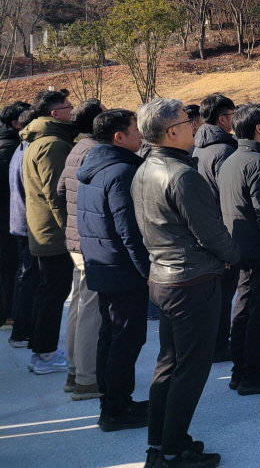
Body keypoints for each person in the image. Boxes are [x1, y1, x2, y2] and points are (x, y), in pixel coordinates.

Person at [132, 98, 241, 468]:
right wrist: (233, 254)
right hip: (190, 280)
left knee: (170, 362)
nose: (193, 125)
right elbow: (210, 231)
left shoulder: (145, 168)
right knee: (190, 368)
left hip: (165, 278)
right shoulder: (181, 175)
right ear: (171, 132)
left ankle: (161, 443)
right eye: (185, 121)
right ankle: (173, 450)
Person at [76, 108, 149, 432]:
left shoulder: (93, 166)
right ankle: (117, 410)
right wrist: (147, 271)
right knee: (125, 340)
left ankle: (113, 404)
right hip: (122, 270)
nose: (141, 135)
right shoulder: (120, 172)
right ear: (119, 137)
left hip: (102, 265)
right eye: (136, 129)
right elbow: (129, 230)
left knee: (110, 336)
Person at [218, 103, 260, 396]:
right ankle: (252, 374)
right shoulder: (259, 163)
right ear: (258, 128)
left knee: (244, 307)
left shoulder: (231, 160)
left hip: (239, 246)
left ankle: (241, 370)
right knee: (259, 314)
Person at [22, 89, 77, 375]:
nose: (73, 110)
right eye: (69, 107)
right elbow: (57, 194)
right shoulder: (52, 144)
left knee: (48, 291)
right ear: (55, 114)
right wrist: (70, 231)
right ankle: (45, 355)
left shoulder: (38, 140)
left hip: (43, 228)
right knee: (54, 292)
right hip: (53, 232)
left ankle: (41, 350)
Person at [58, 98, 106, 400]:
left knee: (78, 304)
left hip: (75, 237)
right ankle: (87, 380)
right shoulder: (95, 151)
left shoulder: (77, 148)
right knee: (90, 308)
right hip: (90, 240)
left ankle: (75, 372)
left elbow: (60, 190)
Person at [192, 93, 239, 363]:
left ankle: (214, 341)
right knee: (224, 293)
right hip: (223, 229)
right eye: (232, 115)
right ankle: (219, 344)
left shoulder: (198, 147)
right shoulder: (223, 150)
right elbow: (229, 194)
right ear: (222, 119)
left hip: (207, 228)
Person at [6, 104, 35, 347]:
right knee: (27, 277)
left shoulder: (19, 147)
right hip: (27, 223)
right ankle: (21, 330)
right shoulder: (21, 149)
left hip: (18, 220)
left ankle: (18, 325)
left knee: (23, 275)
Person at [0, 101, 29, 331]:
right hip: (9, 217)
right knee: (10, 266)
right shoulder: (11, 149)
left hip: (9, 215)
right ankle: (9, 314)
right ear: (16, 123)